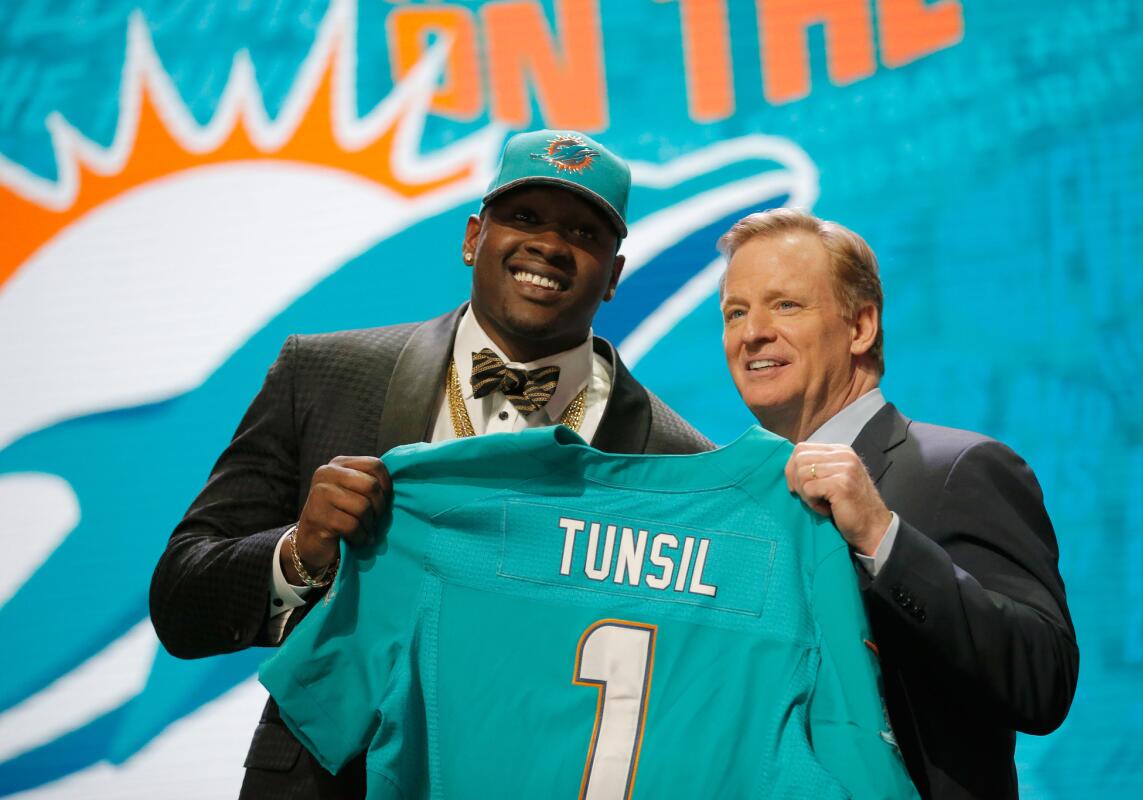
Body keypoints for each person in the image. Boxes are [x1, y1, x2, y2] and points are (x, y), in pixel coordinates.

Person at [148, 129, 712, 799]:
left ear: (614, 275)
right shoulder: (324, 375)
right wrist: (300, 553)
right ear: (474, 236)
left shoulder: (676, 460)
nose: (551, 246)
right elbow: (181, 602)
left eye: (584, 233)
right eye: (525, 217)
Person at [717, 208, 1078, 799]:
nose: (752, 332)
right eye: (736, 312)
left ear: (860, 327)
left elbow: (1044, 682)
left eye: (785, 305)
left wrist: (884, 538)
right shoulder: (741, 505)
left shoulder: (960, 468)